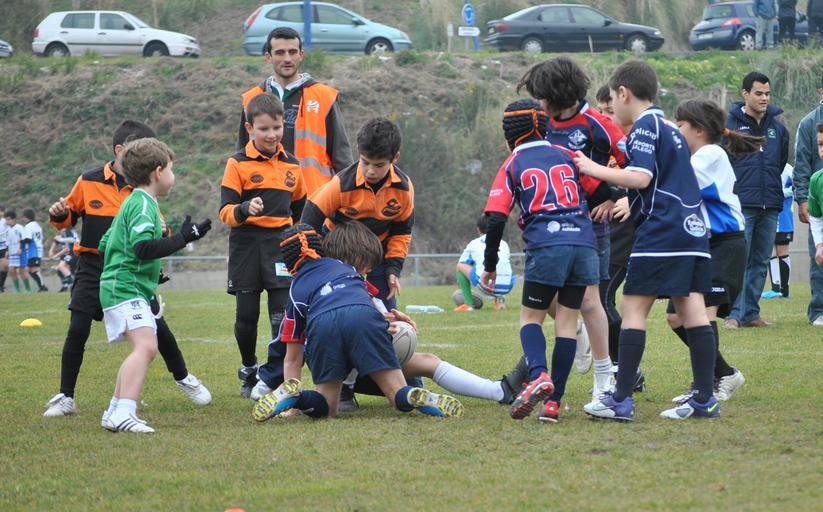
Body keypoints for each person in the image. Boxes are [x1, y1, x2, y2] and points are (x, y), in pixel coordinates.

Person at [577, 59, 720, 421]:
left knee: (632, 309)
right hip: (691, 230)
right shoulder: (671, 127)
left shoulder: (645, 126)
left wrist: (592, 168)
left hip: (662, 231)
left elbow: (640, 177)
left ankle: (621, 399)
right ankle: (704, 399)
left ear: (624, 93)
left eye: (613, 100)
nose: (612, 108)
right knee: (692, 310)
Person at [44, 121, 212, 418]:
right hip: (96, 266)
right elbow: (68, 218)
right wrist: (59, 214)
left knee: (159, 330)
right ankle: (66, 396)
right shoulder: (90, 180)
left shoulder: (143, 194)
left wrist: (165, 236)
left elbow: (155, 235)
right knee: (79, 328)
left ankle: (183, 377)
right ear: (120, 150)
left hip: (133, 272)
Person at [252, 222, 464, 420]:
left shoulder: (296, 290)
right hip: (364, 316)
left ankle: (296, 397)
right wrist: (388, 321)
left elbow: (292, 358)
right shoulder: (345, 267)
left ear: (288, 263)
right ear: (320, 247)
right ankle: (408, 395)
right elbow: (366, 301)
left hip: (323, 326)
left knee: (327, 408)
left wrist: (293, 400)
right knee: (396, 393)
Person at [512, 58, 627, 403]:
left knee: (591, 301)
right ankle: (572, 331)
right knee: (546, 299)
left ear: (558, 95)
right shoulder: (540, 123)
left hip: (589, 228)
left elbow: (636, 167)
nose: (539, 102)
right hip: (546, 231)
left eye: (542, 96)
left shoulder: (598, 124)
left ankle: (604, 376)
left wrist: (617, 197)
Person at [482, 99, 601, 423]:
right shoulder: (567, 154)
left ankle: (538, 375)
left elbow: (496, 218)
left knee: (530, 319)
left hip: (548, 245)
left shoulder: (513, 162)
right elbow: (598, 189)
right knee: (566, 323)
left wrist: (490, 265)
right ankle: (553, 404)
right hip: (584, 244)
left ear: (510, 135)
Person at [98, 138, 212, 433]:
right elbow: (142, 248)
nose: (174, 176)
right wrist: (183, 238)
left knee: (144, 347)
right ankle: (125, 411)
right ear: (158, 172)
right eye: (172, 169)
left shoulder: (136, 202)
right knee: (147, 348)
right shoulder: (142, 204)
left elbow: (105, 243)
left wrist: (148, 272)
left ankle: (115, 410)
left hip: (125, 287)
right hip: (125, 289)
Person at [668, 99, 761, 403]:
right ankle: (725, 373)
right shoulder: (699, 155)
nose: (677, 131)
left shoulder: (710, 153)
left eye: (680, 125)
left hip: (725, 244)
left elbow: (678, 182)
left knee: (702, 314)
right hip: (704, 245)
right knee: (676, 317)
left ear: (698, 129)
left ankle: (704, 387)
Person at [220, 92, 307, 398]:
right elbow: (225, 212)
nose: (272, 134)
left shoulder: (292, 165)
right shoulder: (237, 163)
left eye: (277, 127)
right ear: (249, 129)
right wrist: (244, 209)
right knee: (246, 317)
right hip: (245, 245)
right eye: (264, 128)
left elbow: (300, 209)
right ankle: (249, 368)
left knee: (281, 315)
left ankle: (275, 375)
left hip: (280, 246)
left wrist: (297, 236)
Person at [238, 27, 353, 195]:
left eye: (292, 52)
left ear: (301, 55)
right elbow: (241, 156)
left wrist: (348, 199)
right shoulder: (251, 99)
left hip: (314, 199)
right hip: (265, 199)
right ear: (268, 57)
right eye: (280, 53)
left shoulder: (324, 97)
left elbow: (342, 158)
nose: (287, 59)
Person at [724, 72, 789, 329]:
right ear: (745, 94)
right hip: (741, 203)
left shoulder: (778, 129)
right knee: (739, 260)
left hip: (770, 202)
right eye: (759, 93)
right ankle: (733, 314)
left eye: (767, 93)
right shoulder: (729, 125)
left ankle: (751, 313)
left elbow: (779, 163)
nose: (764, 98)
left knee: (760, 261)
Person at [594, 85, 646, 391]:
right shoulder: (598, 140)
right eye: (601, 110)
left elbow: (648, 179)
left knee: (602, 299)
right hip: (601, 230)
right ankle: (623, 369)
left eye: (610, 110)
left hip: (626, 231)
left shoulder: (638, 141)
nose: (605, 116)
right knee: (597, 300)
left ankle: (626, 369)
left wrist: (627, 198)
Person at [793, 82, 823, 326]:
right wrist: (802, 198)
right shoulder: (808, 123)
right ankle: (819, 310)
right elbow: (802, 163)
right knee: (819, 256)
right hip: (818, 198)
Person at [454, 215, 514, 312]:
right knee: (501, 266)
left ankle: (468, 305)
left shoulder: (474, 243)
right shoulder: (503, 243)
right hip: (507, 286)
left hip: (486, 285)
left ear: (478, 229)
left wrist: (460, 280)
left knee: (459, 266)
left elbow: (462, 263)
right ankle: (500, 302)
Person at [763, 164, 794, 299]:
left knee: (783, 252)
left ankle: (785, 290)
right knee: (771, 252)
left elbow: (796, 188)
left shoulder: (788, 169)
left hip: (784, 217)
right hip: (769, 215)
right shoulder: (768, 165)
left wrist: (778, 193)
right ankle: (775, 289)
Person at [19, 208, 48, 292]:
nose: (22, 219)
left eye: (23, 217)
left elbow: (28, 239)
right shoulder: (37, 225)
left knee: (34, 270)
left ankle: (43, 287)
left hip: (34, 251)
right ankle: (41, 287)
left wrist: (20, 241)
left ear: (26, 217)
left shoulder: (28, 226)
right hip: (37, 250)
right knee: (31, 270)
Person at [808, 126, 823, 279]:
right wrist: (819, 244)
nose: (822, 149)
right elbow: (816, 218)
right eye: (820, 144)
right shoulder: (816, 180)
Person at [48, 228, 79, 292]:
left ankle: (70, 281)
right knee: (62, 269)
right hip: (73, 253)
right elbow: (56, 240)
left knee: (61, 266)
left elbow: (72, 240)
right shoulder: (65, 233)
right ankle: (67, 284)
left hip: (74, 253)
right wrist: (51, 251)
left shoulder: (67, 231)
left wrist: (55, 255)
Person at [4, 210, 25, 293]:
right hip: (12, 253)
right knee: (12, 270)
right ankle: (17, 289)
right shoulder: (8, 230)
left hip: (20, 252)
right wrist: (7, 251)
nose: (7, 221)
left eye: (8, 219)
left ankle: (28, 289)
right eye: (6, 220)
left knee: (22, 271)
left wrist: (21, 248)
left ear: (14, 219)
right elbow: (7, 242)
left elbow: (24, 239)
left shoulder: (19, 228)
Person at [0, 205, 9, 292]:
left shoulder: (5, 222)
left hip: (3, 247)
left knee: (5, 266)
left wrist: (8, 248)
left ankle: (1, 286)